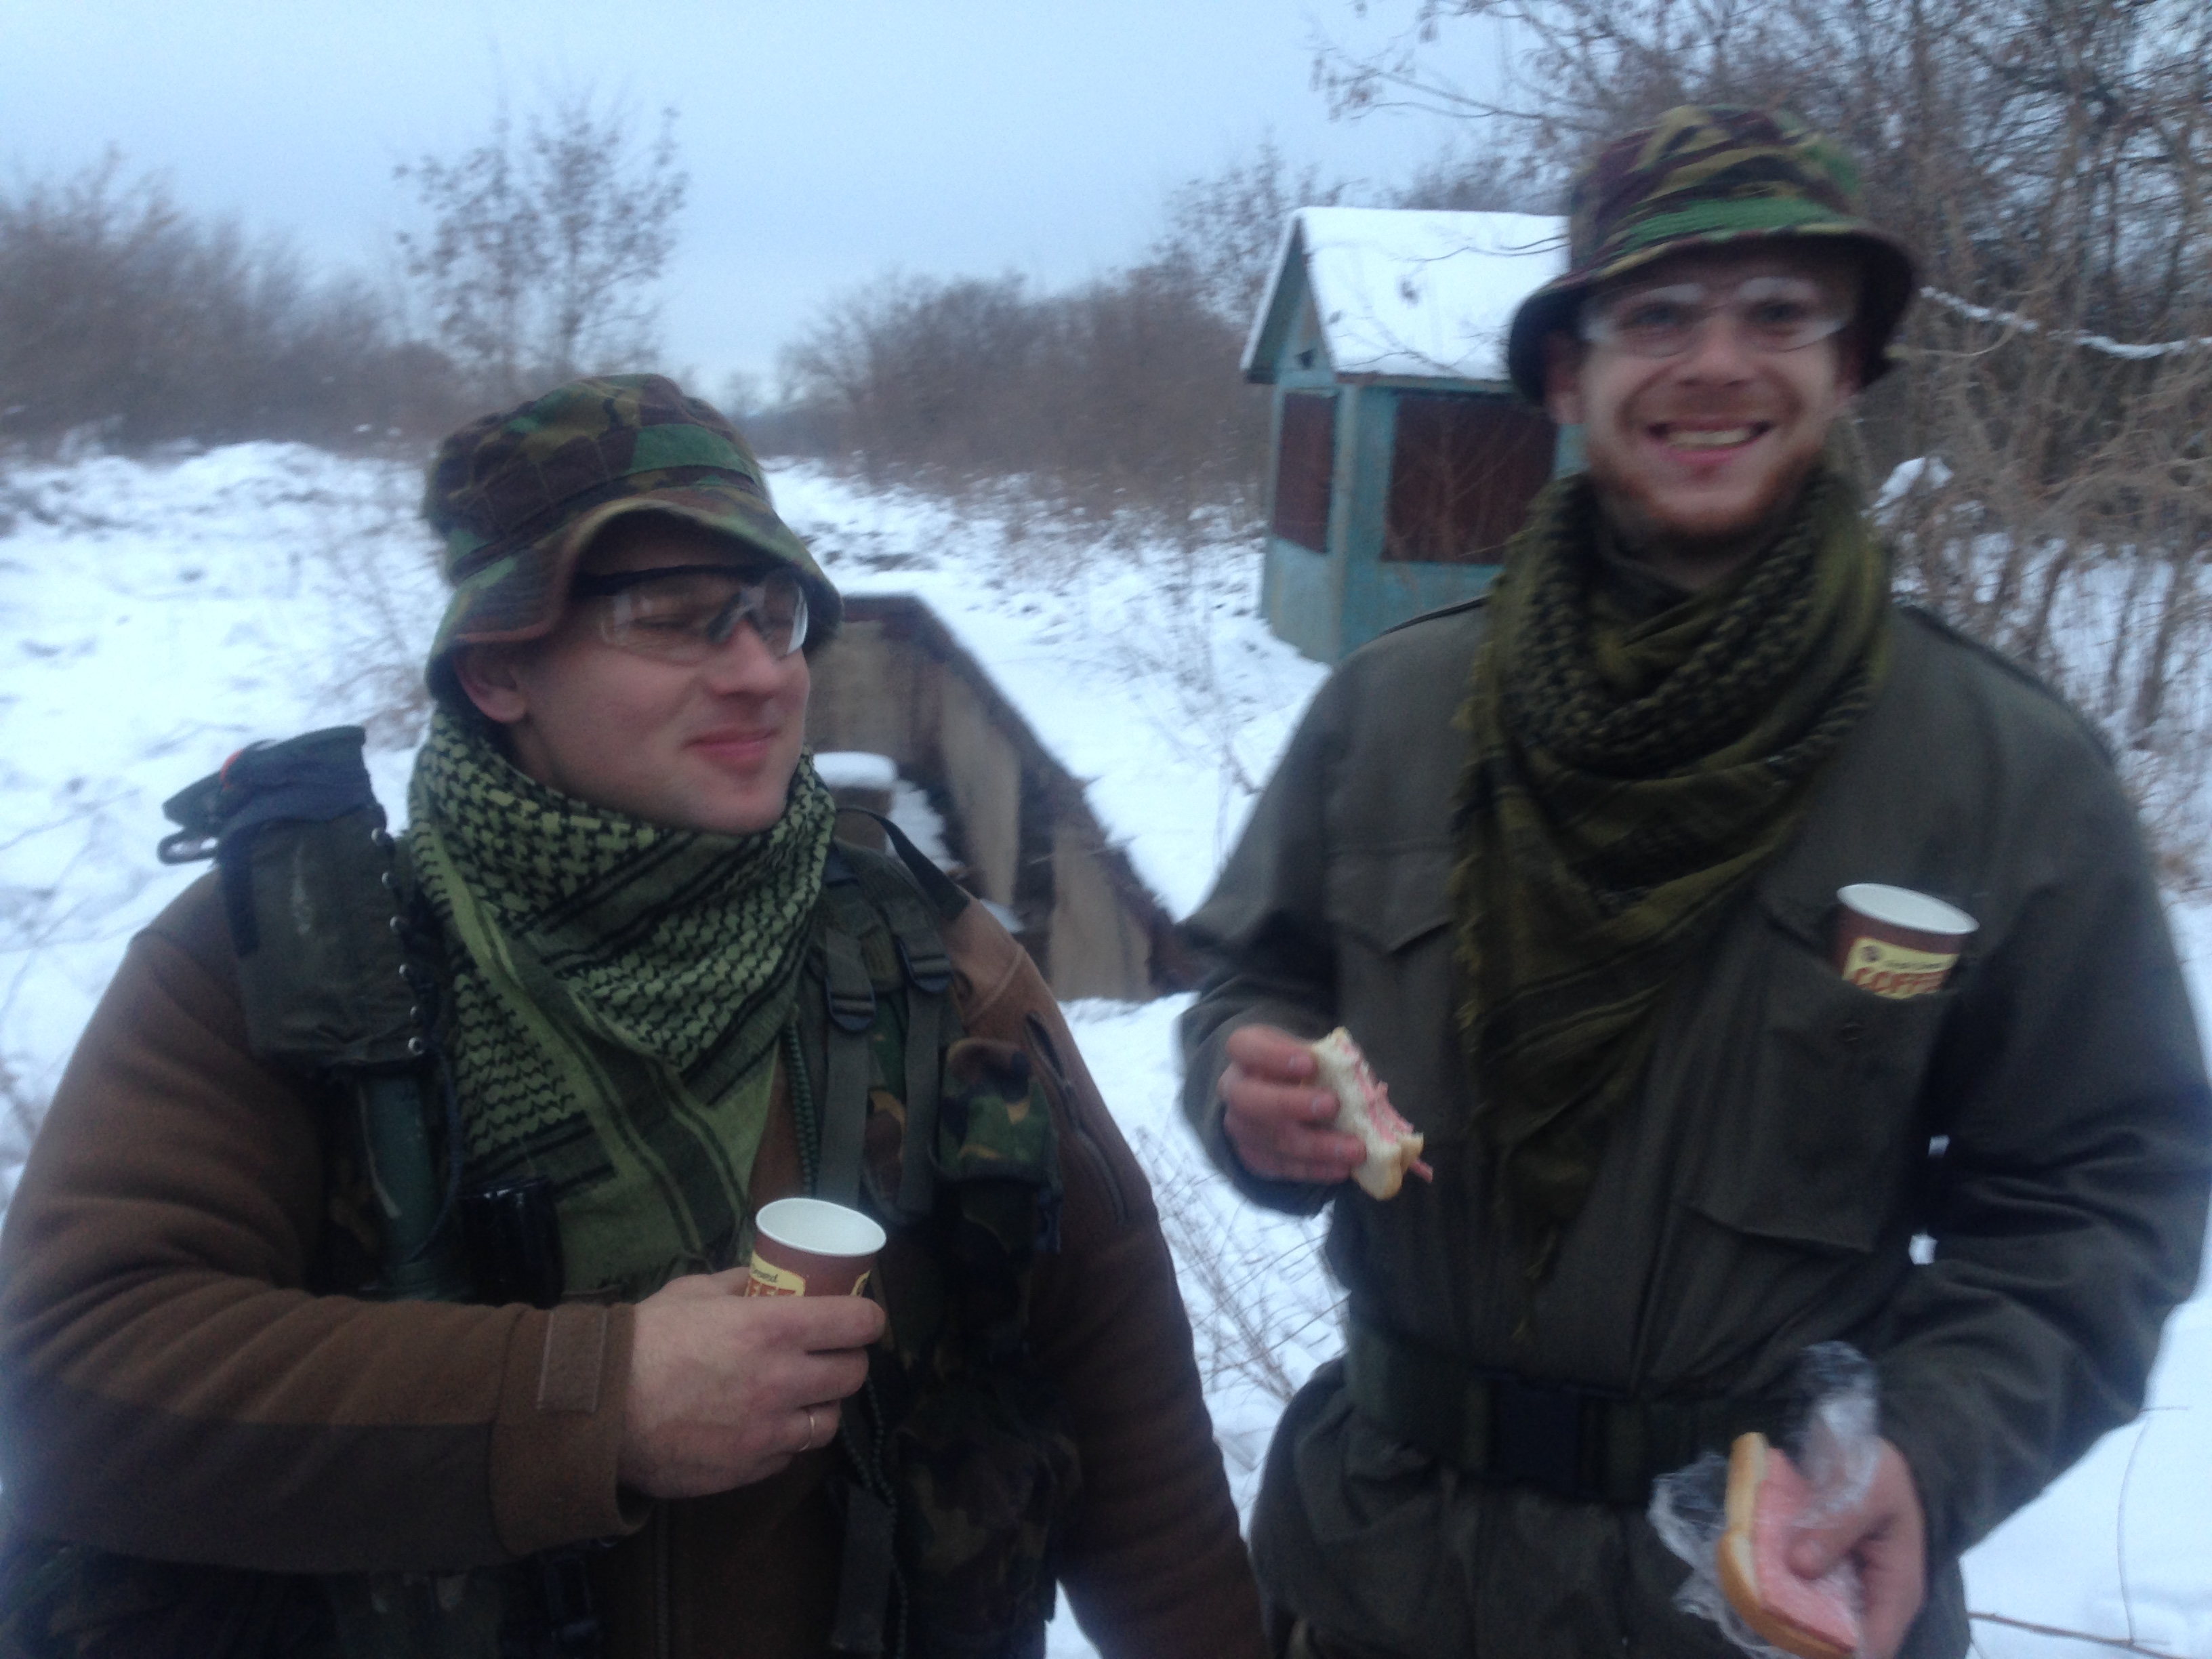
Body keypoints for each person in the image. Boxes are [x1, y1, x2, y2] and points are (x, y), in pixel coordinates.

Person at [0, 374, 1271, 1659]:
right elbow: (65, 1380)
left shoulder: (931, 962)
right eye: (673, 621)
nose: (762, 675)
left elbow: (1136, 1444)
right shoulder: (289, 969)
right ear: (499, 668)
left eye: (776, 617)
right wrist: (592, 1405)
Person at [1179, 106, 2211, 1659]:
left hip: (1758, 1591)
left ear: (1847, 366)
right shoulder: (1390, 712)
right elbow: (1255, 982)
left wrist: (1928, 1450)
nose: (1718, 363)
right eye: (1658, 313)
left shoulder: (2000, 769)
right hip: (1384, 1570)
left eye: (1780, 312)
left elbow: (2101, 1190)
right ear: (1567, 374)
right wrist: (1245, 1087)